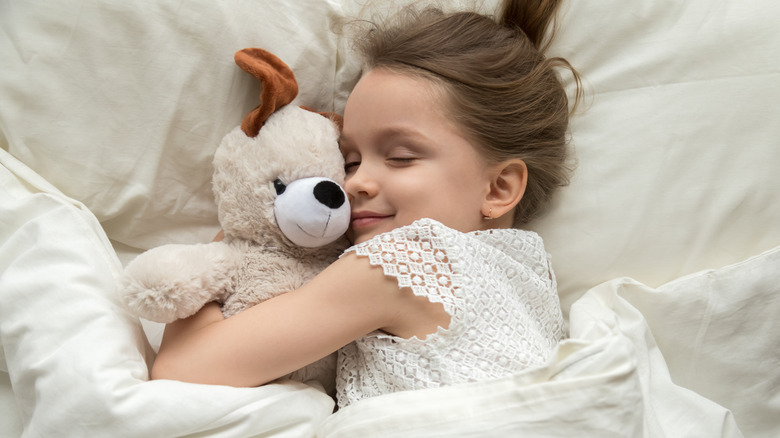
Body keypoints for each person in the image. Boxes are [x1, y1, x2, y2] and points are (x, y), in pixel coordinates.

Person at [151, 0, 582, 409]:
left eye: (400, 157)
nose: (355, 182)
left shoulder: (406, 261)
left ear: (499, 188)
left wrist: (225, 245)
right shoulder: (532, 272)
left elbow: (183, 370)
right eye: (350, 160)